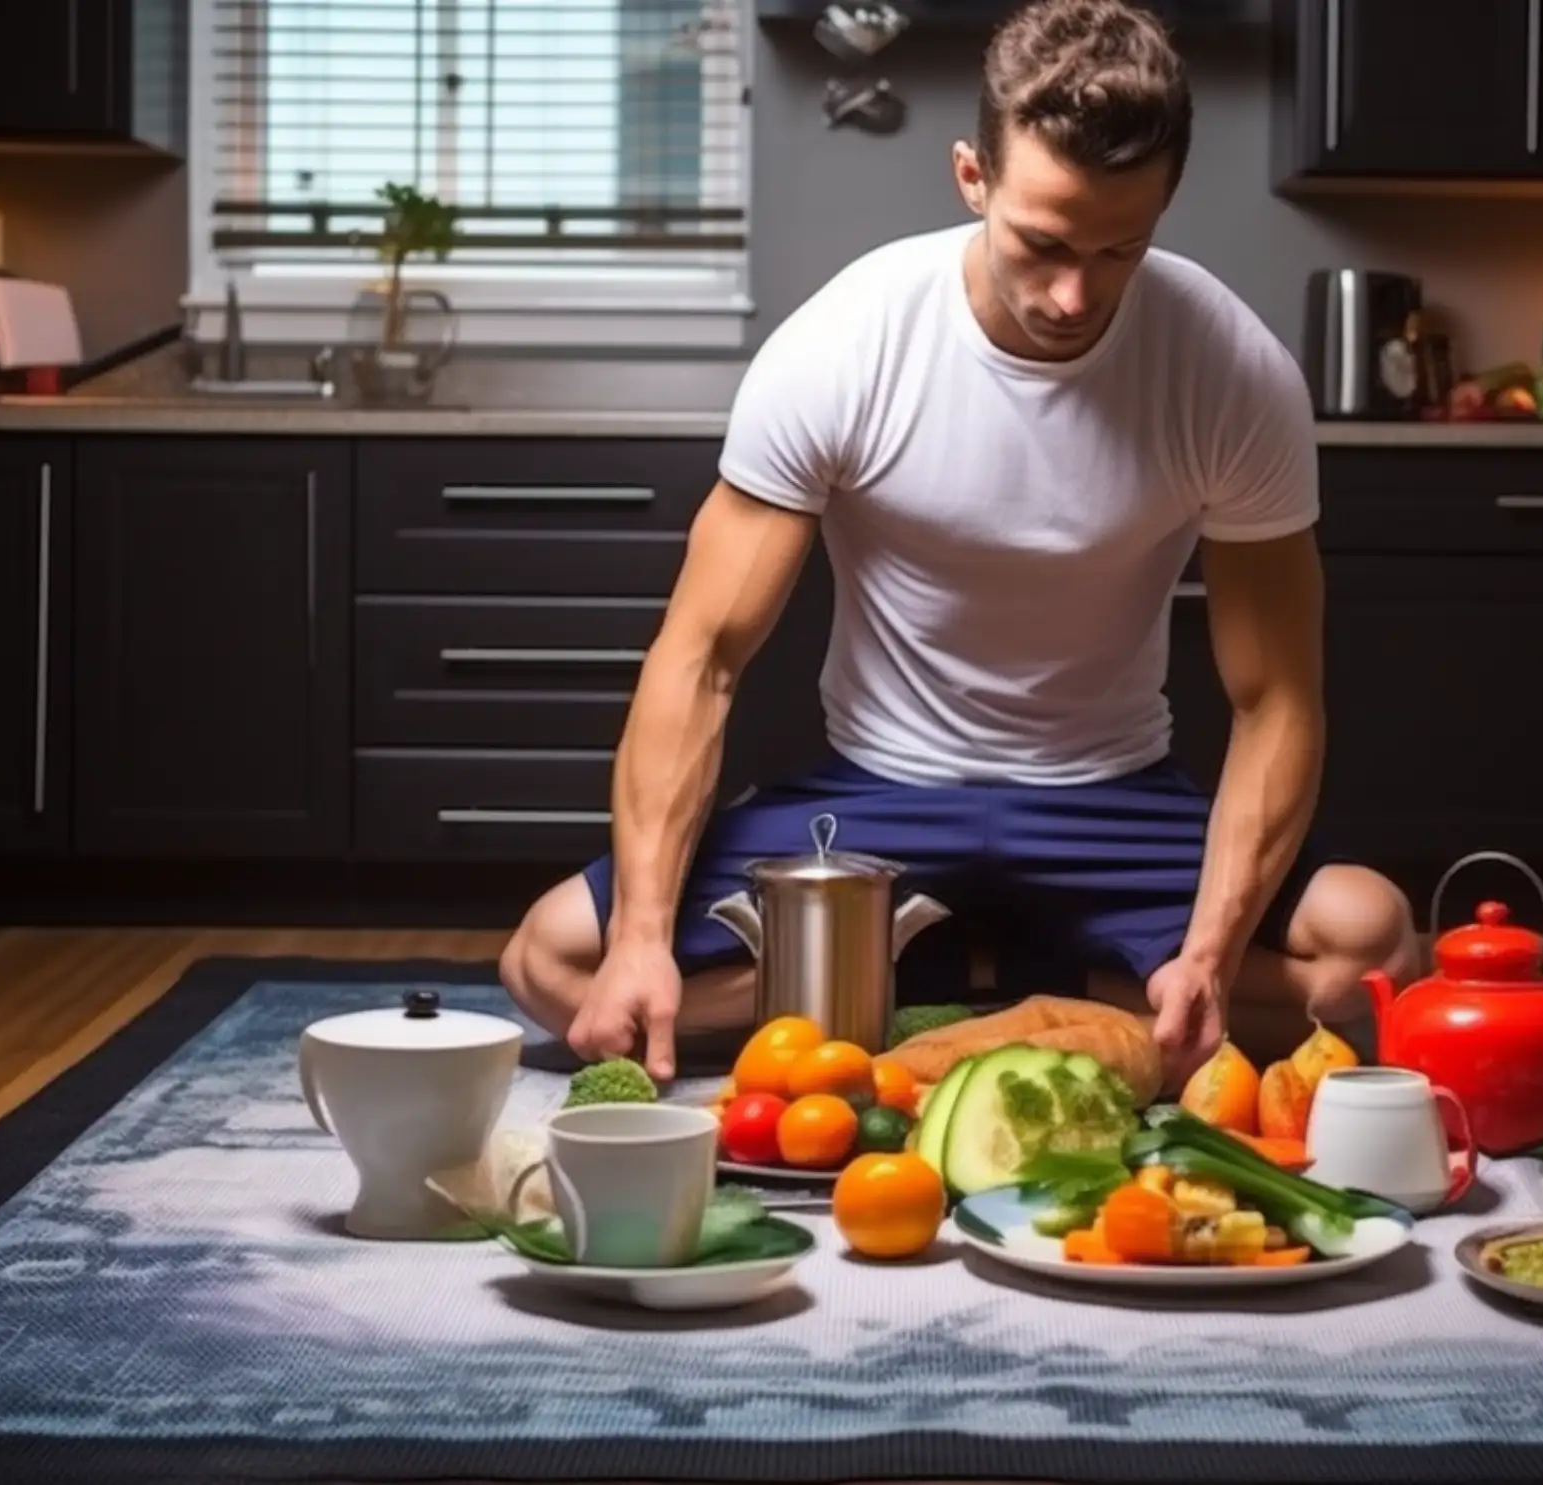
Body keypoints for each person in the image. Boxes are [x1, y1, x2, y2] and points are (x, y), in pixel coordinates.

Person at [498, 0, 1420, 1085]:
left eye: (1120, 248)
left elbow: (1276, 702)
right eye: (1043, 243)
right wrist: (644, 938)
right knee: (553, 960)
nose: (1074, 295)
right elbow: (700, 662)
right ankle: (1011, 985)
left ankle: (944, 986)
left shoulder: (1229, 371)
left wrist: (1213, 951)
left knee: (1369, 947)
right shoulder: (847, 342)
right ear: (971, 177)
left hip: (1106, 797)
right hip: (878, 794)